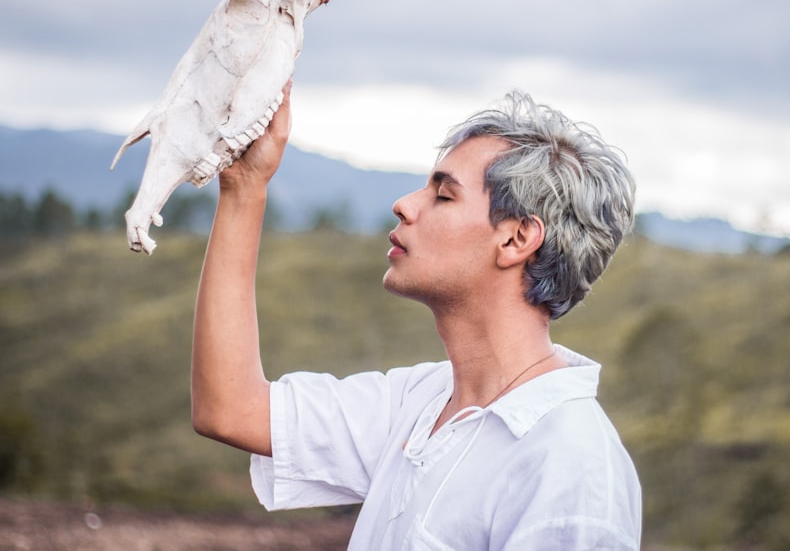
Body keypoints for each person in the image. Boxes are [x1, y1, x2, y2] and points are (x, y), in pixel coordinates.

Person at [192, 81, 642, 549]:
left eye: (443, 195)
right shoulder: (418, 403)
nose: (404, 205)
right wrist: (245, 187)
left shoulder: (571, 467)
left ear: (515, 239)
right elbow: (230, 409)